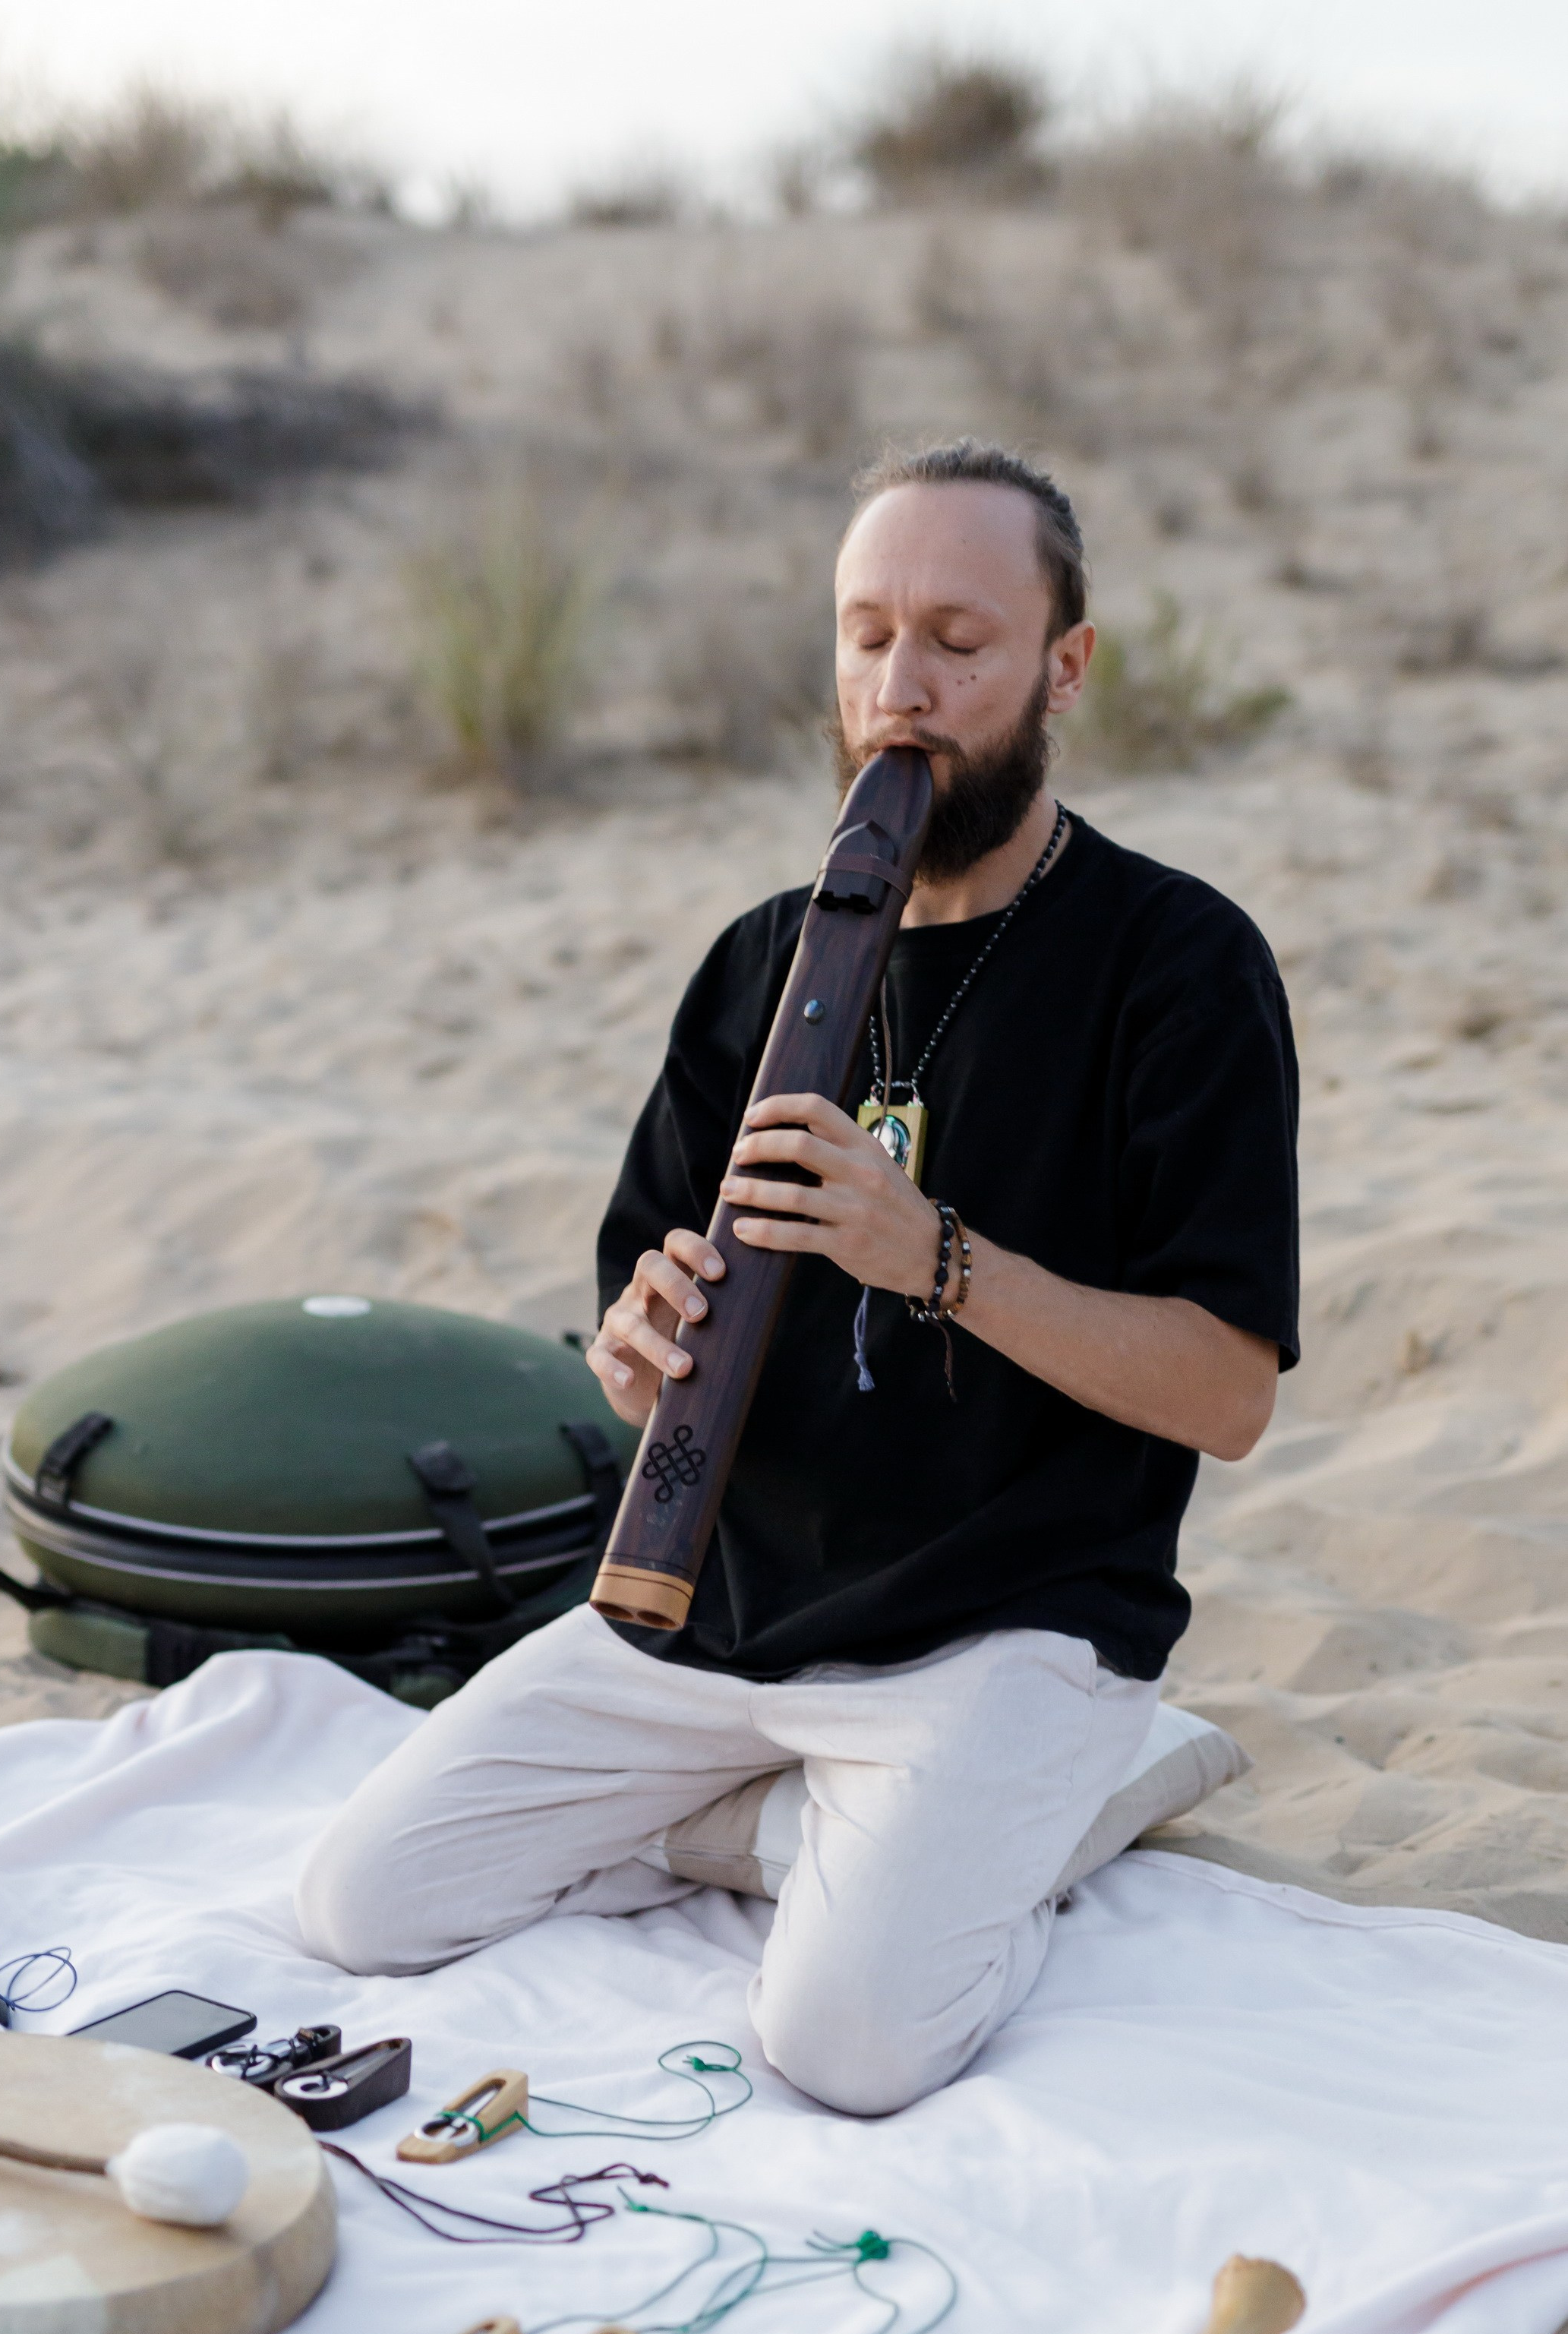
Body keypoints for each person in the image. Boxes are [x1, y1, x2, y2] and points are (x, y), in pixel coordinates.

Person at [296, 439, 1299, 2115]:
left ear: (1065, 669)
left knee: (841, 2048)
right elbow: (637, 1322)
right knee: (363, 1902)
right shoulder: (766, 959)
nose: (898, 689)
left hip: (1002, 1626)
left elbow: (1228, 1392)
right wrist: (635, 1352)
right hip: (718, 1612)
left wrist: (935, 1258)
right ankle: (833, 1830)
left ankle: (1060, 1779)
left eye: (957, 644)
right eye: (864, 635)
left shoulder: (1175, 963)